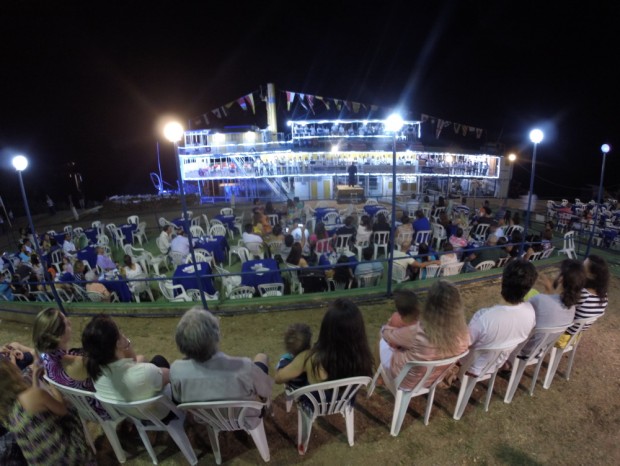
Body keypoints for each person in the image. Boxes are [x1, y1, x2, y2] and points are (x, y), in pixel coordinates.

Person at [170, 308, 273, 427]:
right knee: (261, 357)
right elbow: (266, 390)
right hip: (246, 418)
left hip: (206, 420)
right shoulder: (244, 366)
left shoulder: (176, 370)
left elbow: (178, 399)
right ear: (216, 336)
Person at [0, 359, 94, 465]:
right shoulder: (33, 395)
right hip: (66, 457)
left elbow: (32, 411)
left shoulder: (4, 413)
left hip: (40, 461)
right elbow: (62, 409)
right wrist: (52, 382)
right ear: (11, 375)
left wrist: (35, 378)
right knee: (71, 408)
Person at [380, 283, 470, 390]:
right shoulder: (465, 336)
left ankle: (381, 378)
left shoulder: (418, 332)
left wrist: (388, 326)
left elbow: (387, 335)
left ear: (429, 305)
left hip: (405, 380)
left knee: (381, 340)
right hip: (434, 379)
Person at [82, 314, 171, 417]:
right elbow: (173, 375)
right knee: (160, 360)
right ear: (117, 343)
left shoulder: (96, 375)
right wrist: (128, 346)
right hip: (160, 414)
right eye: (119, 331)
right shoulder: (144, 373)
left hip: (133, 417)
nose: (123, 334)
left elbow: (134, 361)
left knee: (148, 359)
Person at [275, 298, 374, 386]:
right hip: (344, 405)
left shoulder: (309, 358)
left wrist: (286, 359)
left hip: (314, 406)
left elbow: (278, 378)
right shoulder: (362, 360)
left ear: (326, 329)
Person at [467, 259, 537, 376]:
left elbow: (464, 345)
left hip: (472, 366)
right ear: (529, 288)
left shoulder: (484, 317)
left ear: (503, 281)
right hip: (497, 364)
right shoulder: (531, 313)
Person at [519, 259, 585, 357]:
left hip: (522, 349)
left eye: (557, 272)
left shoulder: (540, 299)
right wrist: (549, 290)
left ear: (561, 279)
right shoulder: (571, 308)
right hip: (540, 349)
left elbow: (519, 316)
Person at [556, 255, 610, 348]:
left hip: (561, 337)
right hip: (575, 337)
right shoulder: (604, 296)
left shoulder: (583, 294)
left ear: (592, 275)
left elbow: (559, 309)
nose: (580, 267)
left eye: (583, 267)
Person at [276, 323, 312, 390]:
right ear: (309, 344)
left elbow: (278, 379)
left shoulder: (285, 360)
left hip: (294, 394)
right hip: (312, 394)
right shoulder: (314, 358)